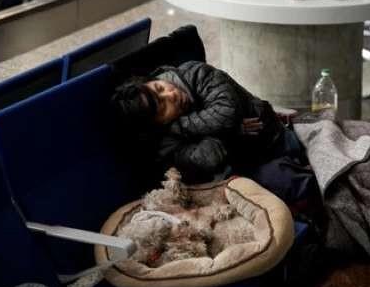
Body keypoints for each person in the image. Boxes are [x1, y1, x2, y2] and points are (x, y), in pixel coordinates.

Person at [110, 61, 312, 205]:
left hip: (273, 136)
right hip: (244, 167)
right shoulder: (163, 143)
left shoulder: (196, 73)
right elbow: (212, 156)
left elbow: (227, 111)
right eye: (162, 106)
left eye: (160, 87)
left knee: (308, 151)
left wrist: (178, 127)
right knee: (286, 182)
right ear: (155, 125)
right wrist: (234, 130)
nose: (170, 94)